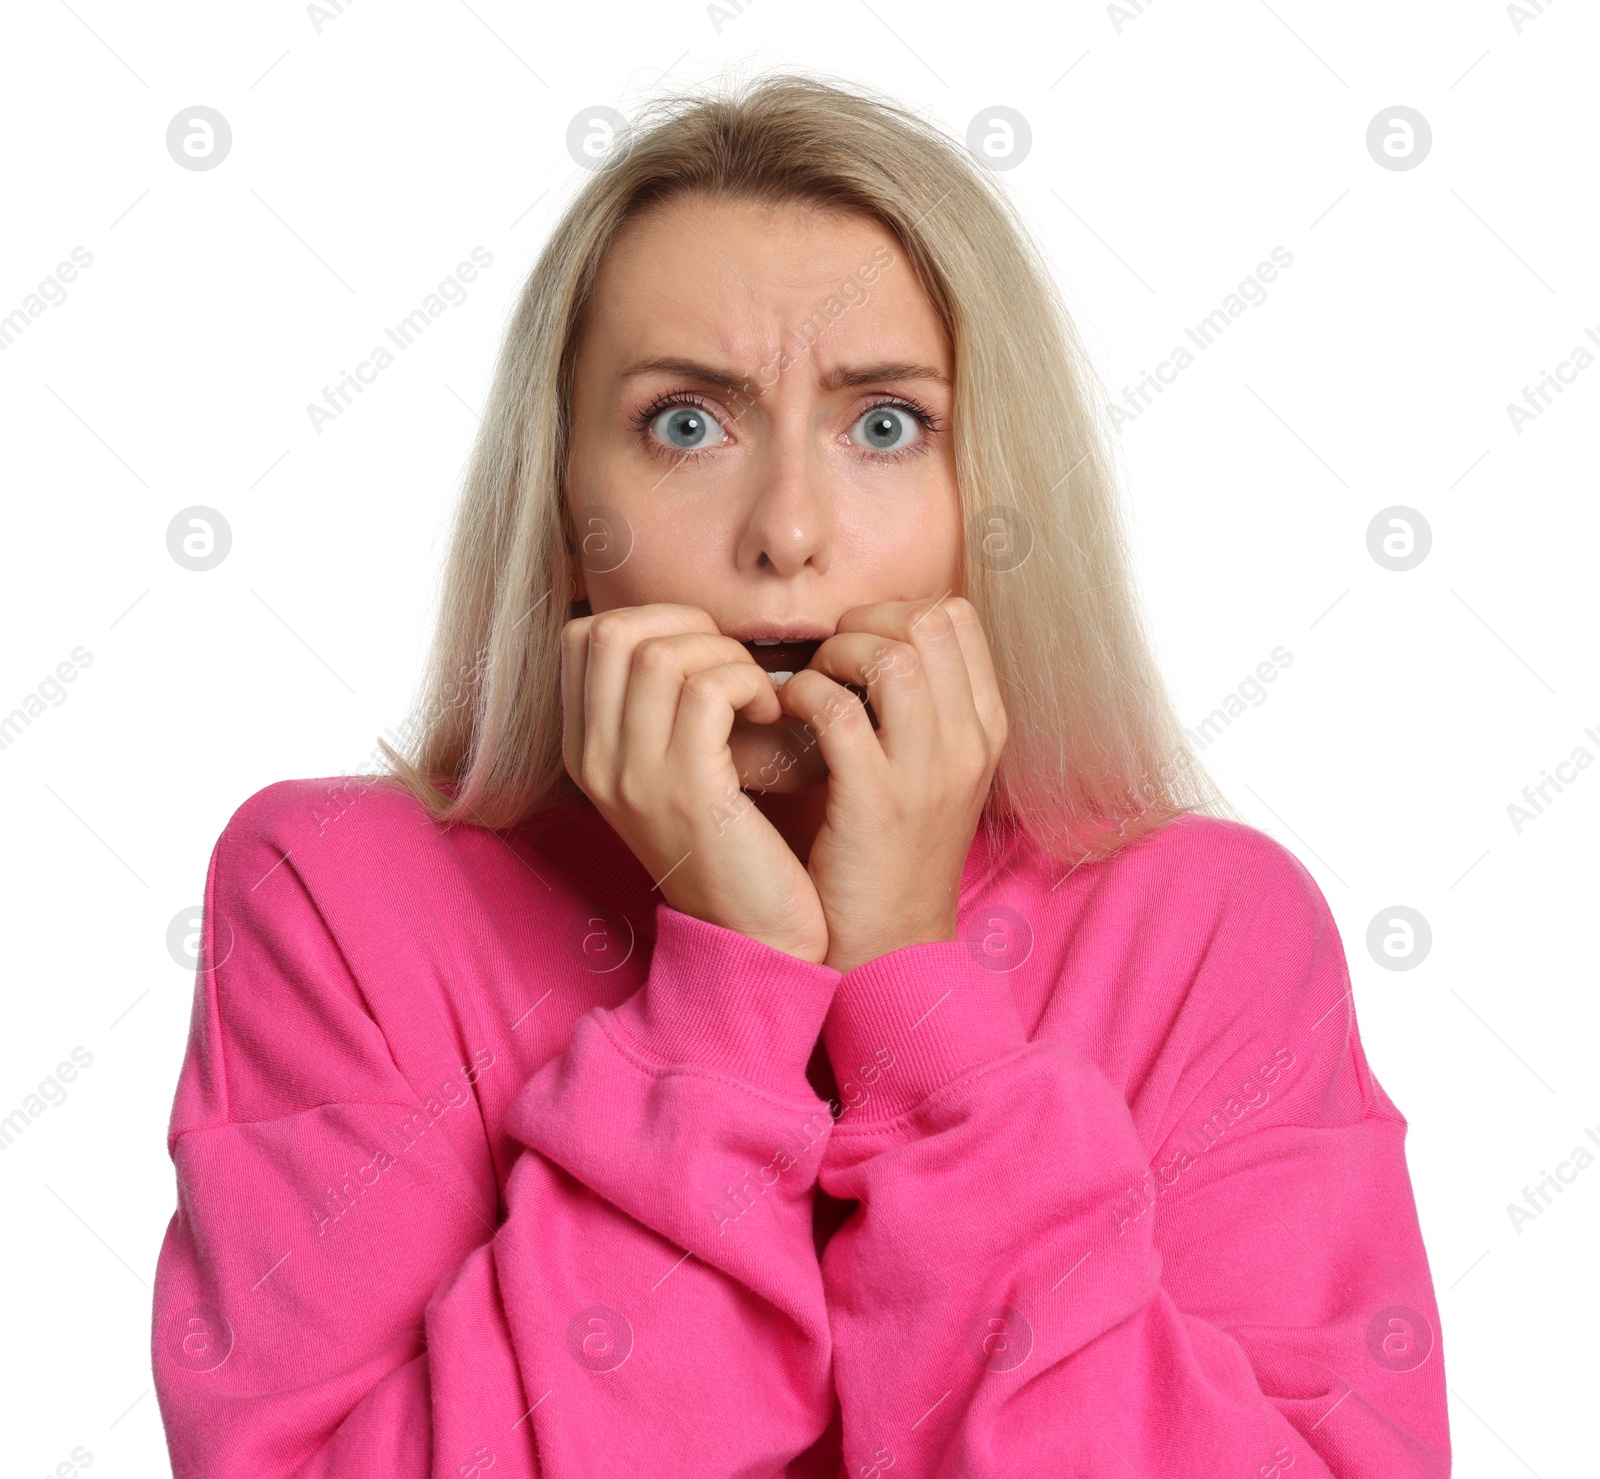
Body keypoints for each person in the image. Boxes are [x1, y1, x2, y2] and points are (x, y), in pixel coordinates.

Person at [152, 72, 1450, 1478]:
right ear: (563, 511)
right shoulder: (339, 896)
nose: (784, 531)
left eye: (885, 424)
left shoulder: (1210, 928)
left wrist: (913, 991)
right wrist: (730, 992)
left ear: (993, 504)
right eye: (685, 424)